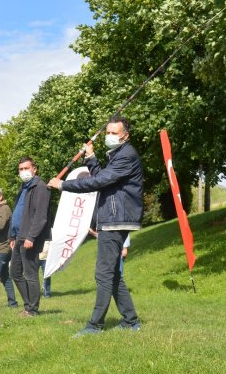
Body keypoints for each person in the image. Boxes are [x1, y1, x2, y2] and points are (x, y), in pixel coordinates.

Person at [48, 116, 143, 336]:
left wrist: (64, 185)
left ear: (125, 135)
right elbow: (103, 177)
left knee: (103, 274)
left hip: (115, 219)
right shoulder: (118, 155)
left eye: (113, 133)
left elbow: (99, 182)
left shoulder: (126, 155)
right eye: (107, 132)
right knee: (113, 275)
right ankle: (131, 321)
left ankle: (95, 325)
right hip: (112, 218)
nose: (109, 136)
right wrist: (91, 158)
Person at [9, 156, 51, 317]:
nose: (23, 172)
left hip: (29, 237)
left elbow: (40, 216)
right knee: (15, 273)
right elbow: (17, 213)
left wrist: (31, 237)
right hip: (19, 236)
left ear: (34, 169)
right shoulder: (23, 188)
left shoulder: (40, 187)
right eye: (21, 169)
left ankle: (32, 310)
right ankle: (28, 306)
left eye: (26, 168)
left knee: (30, 273)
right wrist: (12, 235)